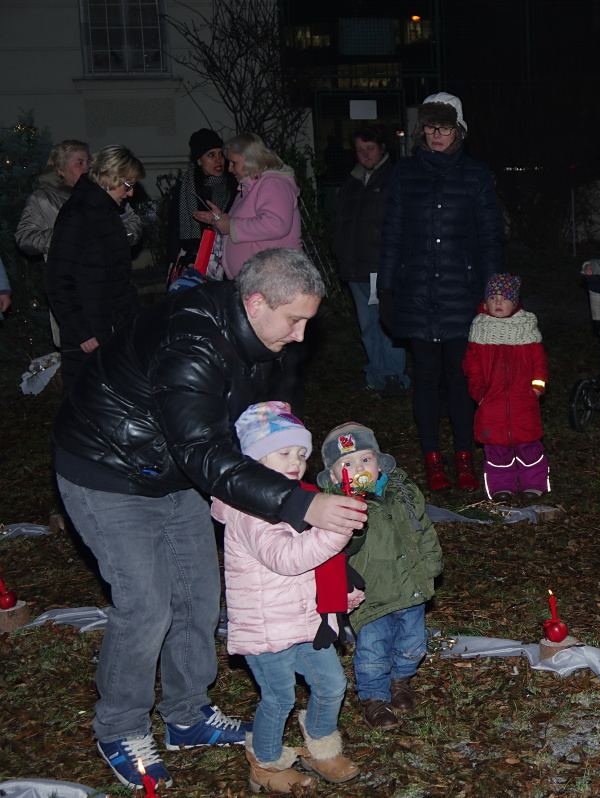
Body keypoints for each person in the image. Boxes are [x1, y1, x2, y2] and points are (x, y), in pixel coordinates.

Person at [52, 248, 367, 789]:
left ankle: (187, 713)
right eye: (294, 321)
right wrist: (299, 504)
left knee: (199, 595)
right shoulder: (193, 342)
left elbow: (247, 428)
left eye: (307, 323)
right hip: (106, 466)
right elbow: (202, 448)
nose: (300, 336)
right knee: (146, 604)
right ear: (256, 302)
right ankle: (120, 727)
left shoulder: (258, 339)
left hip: (172, 468)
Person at [220, 401, 361, 793]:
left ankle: (320, 744)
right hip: (266, 631)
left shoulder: (295, 500)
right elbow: (287, 558)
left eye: (301, 453)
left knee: (331, 684)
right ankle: (265, 763)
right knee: (279, 698)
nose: (296, 462)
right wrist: (336, 530)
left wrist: (341, 590)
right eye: (284, 452)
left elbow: (317, 565)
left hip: (304, 621)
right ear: (253, 460)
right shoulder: (249, 511)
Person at [377, 92, 504, 492]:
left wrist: (494, 292)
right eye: (430, 127)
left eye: (444, 127)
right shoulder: (404, 174)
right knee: (426, 378)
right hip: (416, 291)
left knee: (461, 379)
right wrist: (386, 288)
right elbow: (392, 234)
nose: (436, 134)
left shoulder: (476, 175)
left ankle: (464, 455)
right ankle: (432, 457)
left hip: (461, 293)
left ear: (458, 130)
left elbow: (490, 238)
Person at [318, 423, 443, 730]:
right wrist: (353, 517)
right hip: (371, 592)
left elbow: (423, 528)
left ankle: (400, 680)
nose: (359, 469)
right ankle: (374, 697)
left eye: (365, 459)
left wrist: (430, 563)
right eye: (347, 464)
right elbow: (339, 550)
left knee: (413, 642)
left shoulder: (402, 492)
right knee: (373, 648)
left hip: (410, 584)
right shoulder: (335, 507)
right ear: (333, 476)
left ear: (379, 462)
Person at [44, 144, 145, 388]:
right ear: (111, 177)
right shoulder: (78, 214)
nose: (130, 193)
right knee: (87, 400)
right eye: (127, 185)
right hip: (90, 337)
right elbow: (57, 279)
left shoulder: (104, 211)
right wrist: (83, 332)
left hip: (110, 328)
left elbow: (115, 275)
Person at [332, 125, 408, 394]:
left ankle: (394, 375)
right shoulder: (352, 181)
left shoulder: (394, 179)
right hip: (355, 268)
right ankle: (375, 373)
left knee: (386, 322)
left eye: (370, 148)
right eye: (359, 150)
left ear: (382, 148)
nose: (364, 154)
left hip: (380, 267)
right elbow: (341, 222)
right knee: (367, 325)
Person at [463, 273, 550, 501]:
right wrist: (480, 394)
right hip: (492, 405)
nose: (498, 302)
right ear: (485, 303)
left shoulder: (527, 331)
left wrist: (536, 388)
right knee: (496, 451)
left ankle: (534, 483)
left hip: (523, 404)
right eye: (493, 298)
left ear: (515, 302)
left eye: (504, 298)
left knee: (529, 448)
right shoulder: (479, 332)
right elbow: (472, 368)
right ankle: (501, 486)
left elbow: (539, 363)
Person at [192, 132, 301, 279]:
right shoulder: (248, 187)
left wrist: (231, 226)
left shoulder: (273, 183)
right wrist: (218, 220)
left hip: (274, 279)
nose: (229, 169)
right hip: (258, 279)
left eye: (234, 163)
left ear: (250, 159)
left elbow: (276, 224)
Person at [16, 140, 142, 261]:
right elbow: (25, 238)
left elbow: (133, 223)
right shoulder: (42, 198)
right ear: (60, 169)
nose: (86, 168)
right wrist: (69, 237)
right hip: (67, 269)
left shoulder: (105, 191)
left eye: (88, 162)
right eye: (80, 163)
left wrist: (115, 235)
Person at [164, 128, 238, 267]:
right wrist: (173, 263)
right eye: (211, 155)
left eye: (221, 154)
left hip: (227, 256)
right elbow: (174, 231)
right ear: (199, 161)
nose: (218, 160)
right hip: (193, 258)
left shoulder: (233, 185)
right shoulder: (186, 187)